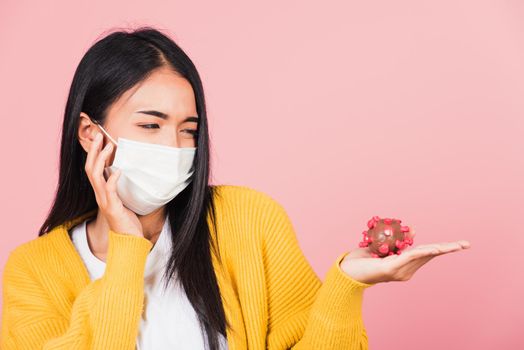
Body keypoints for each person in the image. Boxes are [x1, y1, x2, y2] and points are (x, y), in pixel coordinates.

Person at [0, 26, 471, 350]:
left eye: (188, 129)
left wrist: (346, 285)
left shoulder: (248, 219)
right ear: (90, 135)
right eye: (150, 125)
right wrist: (127, 250)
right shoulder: (33, 271)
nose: (175, 146)